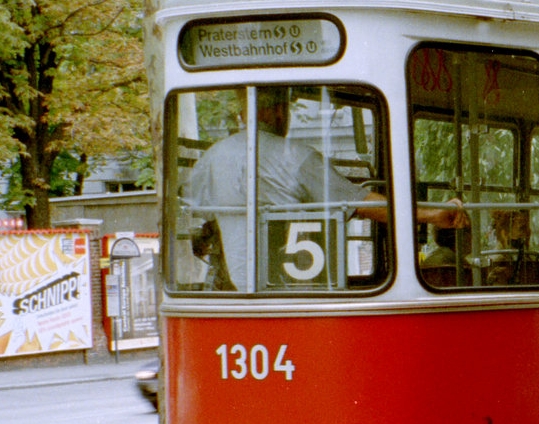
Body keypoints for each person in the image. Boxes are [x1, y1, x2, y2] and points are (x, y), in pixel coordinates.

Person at [185, 86, 465, 290]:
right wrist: (433, 214)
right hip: (287, 287)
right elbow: (362, 203)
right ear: (280, 111)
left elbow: (199, 220)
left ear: (244, 114)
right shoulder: (296, 156)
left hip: (227, 292)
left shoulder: (210, 157)